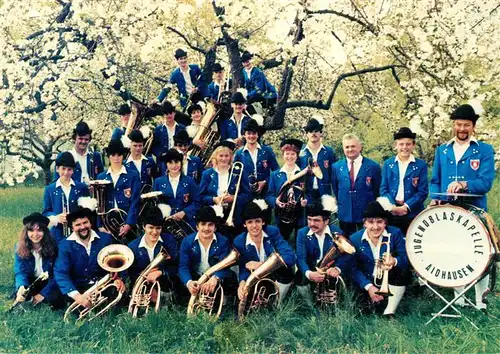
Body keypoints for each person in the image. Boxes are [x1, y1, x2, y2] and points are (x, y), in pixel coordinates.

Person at [430, 102, 495, 310]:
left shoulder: (484, 150)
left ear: (473, 126)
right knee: (454, 252)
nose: (462, 129)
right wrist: (436, 197)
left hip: (475, 209)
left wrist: (464, 184)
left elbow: (486, 183)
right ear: (453, 125)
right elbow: (435, 181)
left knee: (481, 253)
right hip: (449, 211)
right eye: (458, 124)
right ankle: (459, 298)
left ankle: (480, 300)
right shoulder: (442, 150)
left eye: (466, 125)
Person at [54, 208, 125, 307]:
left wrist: (118, 278)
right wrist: (77, 296)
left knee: (120, 300)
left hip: (102, 285)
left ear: (91, 223)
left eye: (85, 222)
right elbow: (61, 273)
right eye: (78, 225)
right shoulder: (64, 245)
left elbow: (117, 262)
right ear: (72, 228)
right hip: (78, 287)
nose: (83, 227)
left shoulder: (105, 239)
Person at [350, 201, 408, 317]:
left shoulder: (395, 233)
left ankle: (390, 311)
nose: (375, 227)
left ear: (385, 223)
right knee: (363, 312)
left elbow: (405, 259)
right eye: (371, 222)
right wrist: (369, 287)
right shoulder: (354, 238)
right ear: (364, 223)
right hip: (367, 281)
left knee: (401, 271)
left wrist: (394, 261)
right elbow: (353, 268)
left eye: (379, 222)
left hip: (389, 279)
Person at [233, 200, 296, 305]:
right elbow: (243, 267)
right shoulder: (239, 241)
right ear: (244, 224)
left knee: (287, 271)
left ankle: (277, 303)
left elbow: (290, 257)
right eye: (249, 222)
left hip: (274, 274)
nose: (254, 226)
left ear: (263, 221)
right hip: (254, 277)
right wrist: (242, 283)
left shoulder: (273, 232)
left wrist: (261, 265)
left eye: (257, 221)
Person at [295, 196, 353, 304]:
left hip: (330, 270)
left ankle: (333, 301)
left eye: (316, 220)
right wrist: (309, 274)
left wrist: (337, 268)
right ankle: (310, 304)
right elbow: (301, 258)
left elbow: (347, 254)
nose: (312, 224)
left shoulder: (337, 233)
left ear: (326, 221)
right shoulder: (302, 233)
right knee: (299, 277)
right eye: (309, 219)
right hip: (312, 269)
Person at [178, 206, 235, 300]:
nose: (206, 228)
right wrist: (189, 282)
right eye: (203, 224)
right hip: (195, 276)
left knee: (230, 277)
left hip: (213, 278)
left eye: (210, 225)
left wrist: (216, 278)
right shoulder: (187, 241)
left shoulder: (223, 241)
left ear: (215, 227)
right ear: (197, 226)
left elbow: (225, 266)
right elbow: (183, 267)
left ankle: (225, 300)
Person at [380, 127, 428, 234]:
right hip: (391, 211)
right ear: (396, 146)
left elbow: (422, 192)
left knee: (410, 241)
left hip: (412, 211)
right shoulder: (388, 164)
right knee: (392, 242)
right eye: (401, 144)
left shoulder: (420, 165)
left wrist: (406, 207)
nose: (404, 147)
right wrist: (393, 207)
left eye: (408, 144)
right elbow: (383, 189)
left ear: (413, 145)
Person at [332, 133, 381, 237]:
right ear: (343, 148)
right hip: (345, 212)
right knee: (346, 242)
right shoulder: (336, 167)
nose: (350, 149)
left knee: (366, 239)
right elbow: (336, 188)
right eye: (347, 147)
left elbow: (377, 190)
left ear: (360, 147)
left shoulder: (373, 166)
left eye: (353, 146)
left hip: (366, 212)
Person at [199, 141, 251, 238]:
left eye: (226, 156)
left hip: (234, 212)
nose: (223, 159)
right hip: (214, 214)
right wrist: (214, 199)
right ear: (216, 157)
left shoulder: (238, 172)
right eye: (221, 156)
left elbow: (248, 195)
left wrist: (234, 198)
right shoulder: (206, 174)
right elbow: (201, 197)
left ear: (231, 157)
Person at [127, 206, 179, 303]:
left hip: (165, 286)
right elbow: (131, 273)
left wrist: (161, 272)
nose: (154, 232)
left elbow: (176, 267)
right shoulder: (132, 246)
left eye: (158, 228)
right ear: (143, 226)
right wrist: (147, 285)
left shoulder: (169, 240)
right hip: (142, 288)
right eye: (151, 227)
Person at [13, 213, 63, 308]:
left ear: (45, 232)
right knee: (22, 296)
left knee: (55, 300)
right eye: (31, 230)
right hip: (32, 281)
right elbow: (20, 272)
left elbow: (57, 274)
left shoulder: (55, 247)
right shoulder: (19, 247)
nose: (35, 234)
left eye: (39, 230)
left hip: (49, 283)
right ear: (26, 232)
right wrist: (21, 286)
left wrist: (42, 295)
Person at [97, 139, 141, 240]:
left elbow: (135, 201)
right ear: (108, 156)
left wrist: (129, 224)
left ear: (123, 156)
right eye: (113, 155)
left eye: (119, 155)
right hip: (108, 223)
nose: (116, 158)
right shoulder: (101, 177)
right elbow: (99, 203)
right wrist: (100, 225)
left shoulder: (132, 175)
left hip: (127, 220)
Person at [265, 138, 308, 241]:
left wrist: (305, 202)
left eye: (293, 154)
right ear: (283, 155)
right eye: (287, 154)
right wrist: (276, 201)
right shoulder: (275, 174)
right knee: (281, 241)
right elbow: (269, 195)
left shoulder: (303, 173)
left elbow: (309, 193)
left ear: (297, 156)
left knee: (300, 241)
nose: (290, 157)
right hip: (281, 216)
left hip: (299, 215)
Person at [43, 152, 90, 244]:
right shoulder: (50, 189)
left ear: (73, 171)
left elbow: (88, 211)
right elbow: (46, 212)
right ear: (57, 169)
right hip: (58, 234)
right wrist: (56, 218)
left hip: (79, 232)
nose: (66, 172)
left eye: (69, 169)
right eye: (63, 169)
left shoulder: (82, 187)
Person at [153, 149, 200, 230]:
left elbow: (197, 202)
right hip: (166, 225)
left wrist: (184, 212)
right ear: (166, 164)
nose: (174, 166)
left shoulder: (190, 181)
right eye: (170, 163)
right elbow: (155, 203)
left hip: (186, 223)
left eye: (176, 162)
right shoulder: (158, 182)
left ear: (181, 163)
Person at [233, 117, 279, 198]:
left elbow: (277, 170)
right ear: (244, 134)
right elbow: (235, 175)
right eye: (249, 133)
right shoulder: (239, 154)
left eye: (254, 133)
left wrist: (265, 182)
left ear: (258, 135)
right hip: (246, 193)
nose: (251, 136)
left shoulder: (267, 150)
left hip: (265, 191)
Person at [299, 115, 337, 199]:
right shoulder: (300, 152)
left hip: (325, 193)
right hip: (305, 195)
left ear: (321, 133)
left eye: (316, 131)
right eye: (310, 131)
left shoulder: (329, 151)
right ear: (307, 134)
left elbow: (334, 174)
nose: (313, 134)